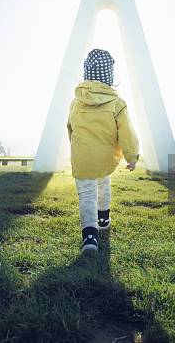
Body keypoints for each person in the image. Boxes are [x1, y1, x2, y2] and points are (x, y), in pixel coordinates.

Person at [67, 49, 139, 253]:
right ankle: (104, 218)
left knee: (86, 194)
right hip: (105, 157)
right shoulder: (117, 103)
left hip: (82, 157)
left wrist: (74, 149)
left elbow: (70, 127)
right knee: (103, 184)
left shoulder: (76, 101)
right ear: (110, 75)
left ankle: (89, 237)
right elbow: (127, 133)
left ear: (86, 73)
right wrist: (131, 156)